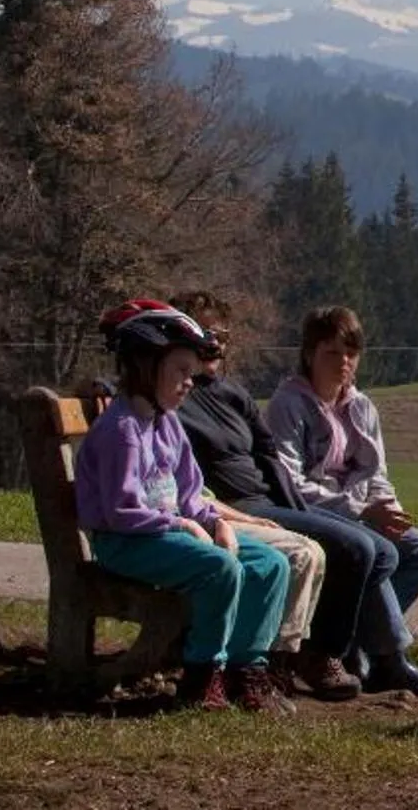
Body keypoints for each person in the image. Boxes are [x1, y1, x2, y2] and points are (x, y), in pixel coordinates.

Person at [168, 291, 397, 703]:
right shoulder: (177, 394)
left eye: (222, 335)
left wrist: (295, 504)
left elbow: (267, 452)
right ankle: (319, 656)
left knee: (382, 550)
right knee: (356, 547)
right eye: (205, 334)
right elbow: (128, 391)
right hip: (234, 505)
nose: (216, 344)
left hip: (271, 500)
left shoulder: (231, 393)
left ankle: (360, 651)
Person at [77, 299, 296, 714]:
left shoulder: (168, 424)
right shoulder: (122, 430)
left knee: (271, 564)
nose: (189, 382)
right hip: (126, 542)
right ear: (145, 366)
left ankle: (246, 668)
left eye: (191, 373)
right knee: (219, 568)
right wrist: (181, 526)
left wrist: (214, 523)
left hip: (167, 536)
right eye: (180, 371)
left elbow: (191, 495)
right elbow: (120, 510)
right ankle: (201, 678)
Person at [267, 306, 418, 697]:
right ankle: (392, 660)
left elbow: (376, 473)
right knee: (374, 550)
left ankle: (358, 645)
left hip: (364, 511)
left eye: (351, 352)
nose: (344, 362)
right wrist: (362, 511)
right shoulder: (288, 406)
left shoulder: (362, 407)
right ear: (310, 355)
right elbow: (291, 484)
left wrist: (388, 508)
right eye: (332, 353)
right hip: (316, 513)